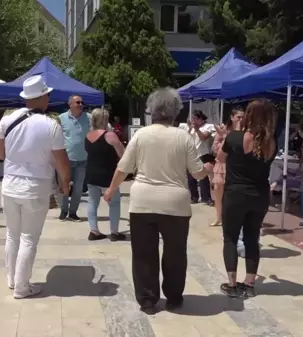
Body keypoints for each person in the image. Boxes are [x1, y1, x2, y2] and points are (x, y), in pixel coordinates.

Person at [103, 88, 209, 315]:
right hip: (176, 204)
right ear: (175, 111)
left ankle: (148, 300)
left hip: (143, 201)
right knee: (175, 254)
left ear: (151, 110)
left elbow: (124, 167)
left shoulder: (141, 135)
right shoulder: (183, 136)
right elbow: (198, 173)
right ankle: (173, 298)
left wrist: (111, 189)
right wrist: (211, 166)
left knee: (143, 254)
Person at [0, 75, 70, 299]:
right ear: (43, 96)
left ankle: (12, 278)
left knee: (12, 234)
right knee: (29, 238)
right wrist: (66, 183)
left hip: (9, 184)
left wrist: (18, 157)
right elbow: (61, 161)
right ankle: (21, 287)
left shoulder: (7, 120)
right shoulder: (50, 125)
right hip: (36, 186)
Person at [217, 99, 277, 298]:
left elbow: (220, 157)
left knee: (231, 238)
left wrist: (226, 136)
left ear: (249, 115)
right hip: (259, 195)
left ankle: (232, 284)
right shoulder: (271, 142)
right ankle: (249, 285)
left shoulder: (235, 137)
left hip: (236, 194)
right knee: (252, 239)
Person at [85, 108, 126, 241]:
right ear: (105, 120)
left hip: (91, 174)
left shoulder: (88, 135)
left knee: (92, 202)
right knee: (114, 203)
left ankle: (94, 231)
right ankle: (114, 232)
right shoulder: (110, 135)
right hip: (107, 175)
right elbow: (122, 154)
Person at [210, 108, 244, 227]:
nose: (240, 120)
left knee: (234, 194)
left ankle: (232, 218)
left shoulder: (244, 132)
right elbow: (215, 148)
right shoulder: (225, 130)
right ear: (232, 117)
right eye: (238, 117)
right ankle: (219, 217)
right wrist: (224, 138)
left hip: (235, 165)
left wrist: (225, 139)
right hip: (221, 164)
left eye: (242, 117)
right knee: (218, 190)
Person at [58, 95, 90, 221]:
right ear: (70, 104)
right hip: (67, 160)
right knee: (65, 186)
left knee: (78, 188)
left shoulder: (89, 118)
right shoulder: (61, 118)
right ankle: (63, 210)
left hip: (83, 159)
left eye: (82, 102)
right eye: (78, 102)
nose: (81, 104)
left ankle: (72, 213)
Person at [187, 110, 215, 205]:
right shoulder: (192, 128)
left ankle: (206, 198)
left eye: (196, 118)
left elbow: (204, 137)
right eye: (193, 118)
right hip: (192, 154)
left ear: (201, 119)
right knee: (191, 177)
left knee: (203, 177)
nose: (194, 120)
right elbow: (186, 138)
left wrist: (197, 129)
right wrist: (190, 128)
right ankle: (194, 197)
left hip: (203, 154)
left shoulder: (208, 126)